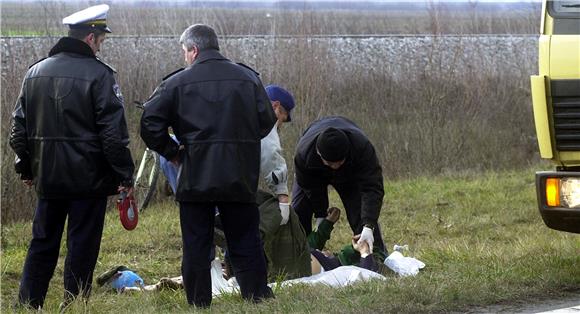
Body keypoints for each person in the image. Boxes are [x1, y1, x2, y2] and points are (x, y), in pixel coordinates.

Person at [140, 24, 276, 307]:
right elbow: (265, 121)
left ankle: (199, 303)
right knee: (245, 238)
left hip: (195, 177)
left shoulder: (176, 84)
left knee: (196, 244)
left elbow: (149, 124)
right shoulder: (248, 79)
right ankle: (257, 296)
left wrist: (173, 152)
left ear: (194, 50)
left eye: (184, 52)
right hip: (238, 175)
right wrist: (241, 144)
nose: (184, 58)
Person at [9, 4, 135, 310]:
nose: (101, 46)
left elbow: (18, 131)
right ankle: (75, 304)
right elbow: (113, 135)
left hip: (48, 179)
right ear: (91, 38)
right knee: (82, 245)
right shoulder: (101, 75)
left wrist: (26, 168)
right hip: (88, 182)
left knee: (42, 242)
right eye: (101, 40)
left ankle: (28, 304)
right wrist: (124, 177)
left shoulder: (34, 72)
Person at [292, 116, 387, 255]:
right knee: (299, 208)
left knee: (358, 211)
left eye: (339, 161)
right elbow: (310, 187)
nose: (335, 167)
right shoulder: (304, 154)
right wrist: (320, 215)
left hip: (350, 174)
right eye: (331, 163)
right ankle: (299, 253)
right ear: (319, 154)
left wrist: (368, 225)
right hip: (313, 175)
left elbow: (372, 187)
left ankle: (376, 254)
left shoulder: (362, 148)